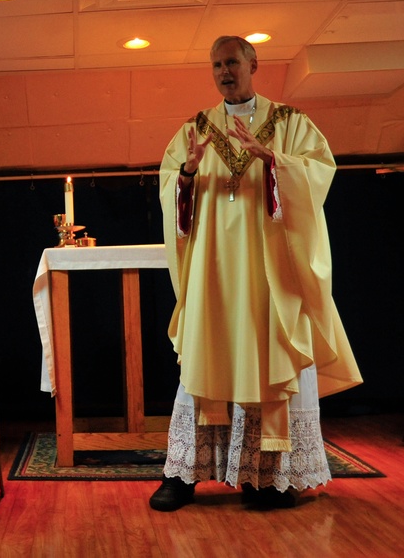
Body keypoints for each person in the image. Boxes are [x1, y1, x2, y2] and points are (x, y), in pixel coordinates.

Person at [149, 35, 363, 512]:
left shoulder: (291, 123)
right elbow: (171, 194)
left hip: (270, 273)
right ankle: (184, 475)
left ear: (253, 64)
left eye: (232, 62)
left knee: (269, 361)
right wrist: (185, 173)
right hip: (214, 274)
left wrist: (272, 160)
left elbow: (319, 176)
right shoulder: (196, 128)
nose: (224, 72)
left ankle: (266, 478)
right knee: (205, 360)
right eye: (216, 65)